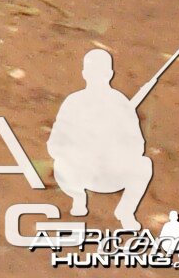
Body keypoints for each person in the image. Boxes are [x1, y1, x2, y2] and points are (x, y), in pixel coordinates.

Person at [48, 47, 155, 231]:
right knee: (61, 164)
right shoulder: (73, 102)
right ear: (85, 74)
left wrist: (113, 146)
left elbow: (138, 146)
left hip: (111, 172)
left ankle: (126, 211)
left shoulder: (120, 104)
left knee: (144, 165)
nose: (97, 76)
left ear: (109, 74)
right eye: (93, 71)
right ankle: (78, 198)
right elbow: (55, 143)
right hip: (79, 172)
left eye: (100, 72)